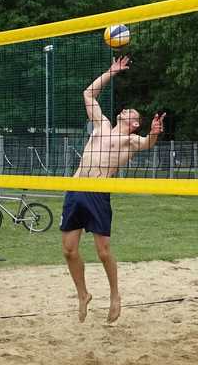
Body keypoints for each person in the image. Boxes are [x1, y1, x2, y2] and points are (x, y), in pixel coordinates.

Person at [61, 56, 166, 324]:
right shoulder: (102, 126)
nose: (128, 110)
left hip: (98, 193)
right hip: (75, 189)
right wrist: (111, 72)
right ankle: (83, 294)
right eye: (128, 110)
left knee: (103, 251)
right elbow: (88, 94)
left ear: (135, 123)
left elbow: (148, 144)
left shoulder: (130, 140)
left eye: (134, 114)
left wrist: (154, 133)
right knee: (69, 250)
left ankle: (115, 295)